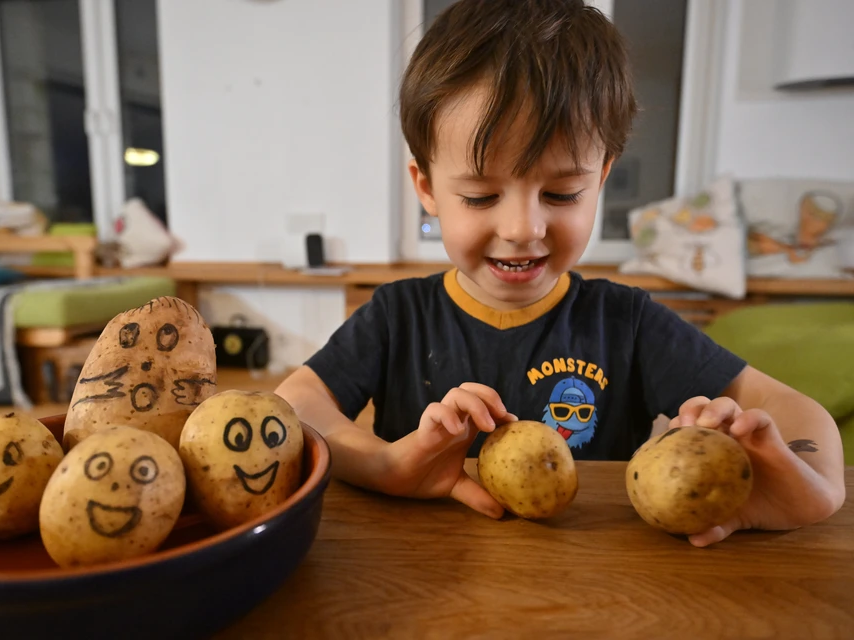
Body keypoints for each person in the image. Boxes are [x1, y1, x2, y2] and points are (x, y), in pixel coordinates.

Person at [275, 0, 845, 546]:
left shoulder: (627, 322)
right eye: (480, 196)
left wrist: (807, 488)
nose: (523, 227)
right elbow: (297, 402)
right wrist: (385, 464)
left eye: (561, 192)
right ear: (426, 187)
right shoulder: (397, 315)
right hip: (425, 581)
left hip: (597, 584)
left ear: (600, 180)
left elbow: (800, 415)